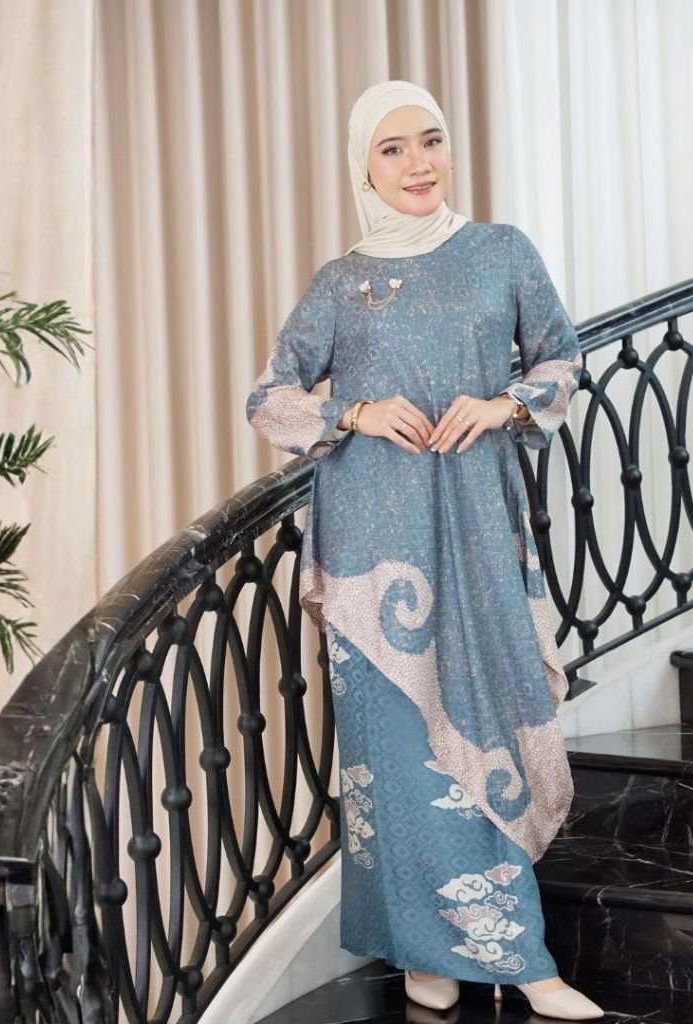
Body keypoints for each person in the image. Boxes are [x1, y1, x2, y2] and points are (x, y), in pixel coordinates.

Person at [245, 80, 603, 1021]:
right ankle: (421, 952)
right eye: (393, 149)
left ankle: (522, 961)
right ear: (364, 168)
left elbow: (562, 358)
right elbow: (269, 397)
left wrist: (503, 403)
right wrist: (353, 412)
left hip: (476, 527)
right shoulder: (341, 281)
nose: (418, 163)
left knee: (488, 722)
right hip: (373, 549)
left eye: (431, 141)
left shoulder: (500, 252)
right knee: (400, 754)